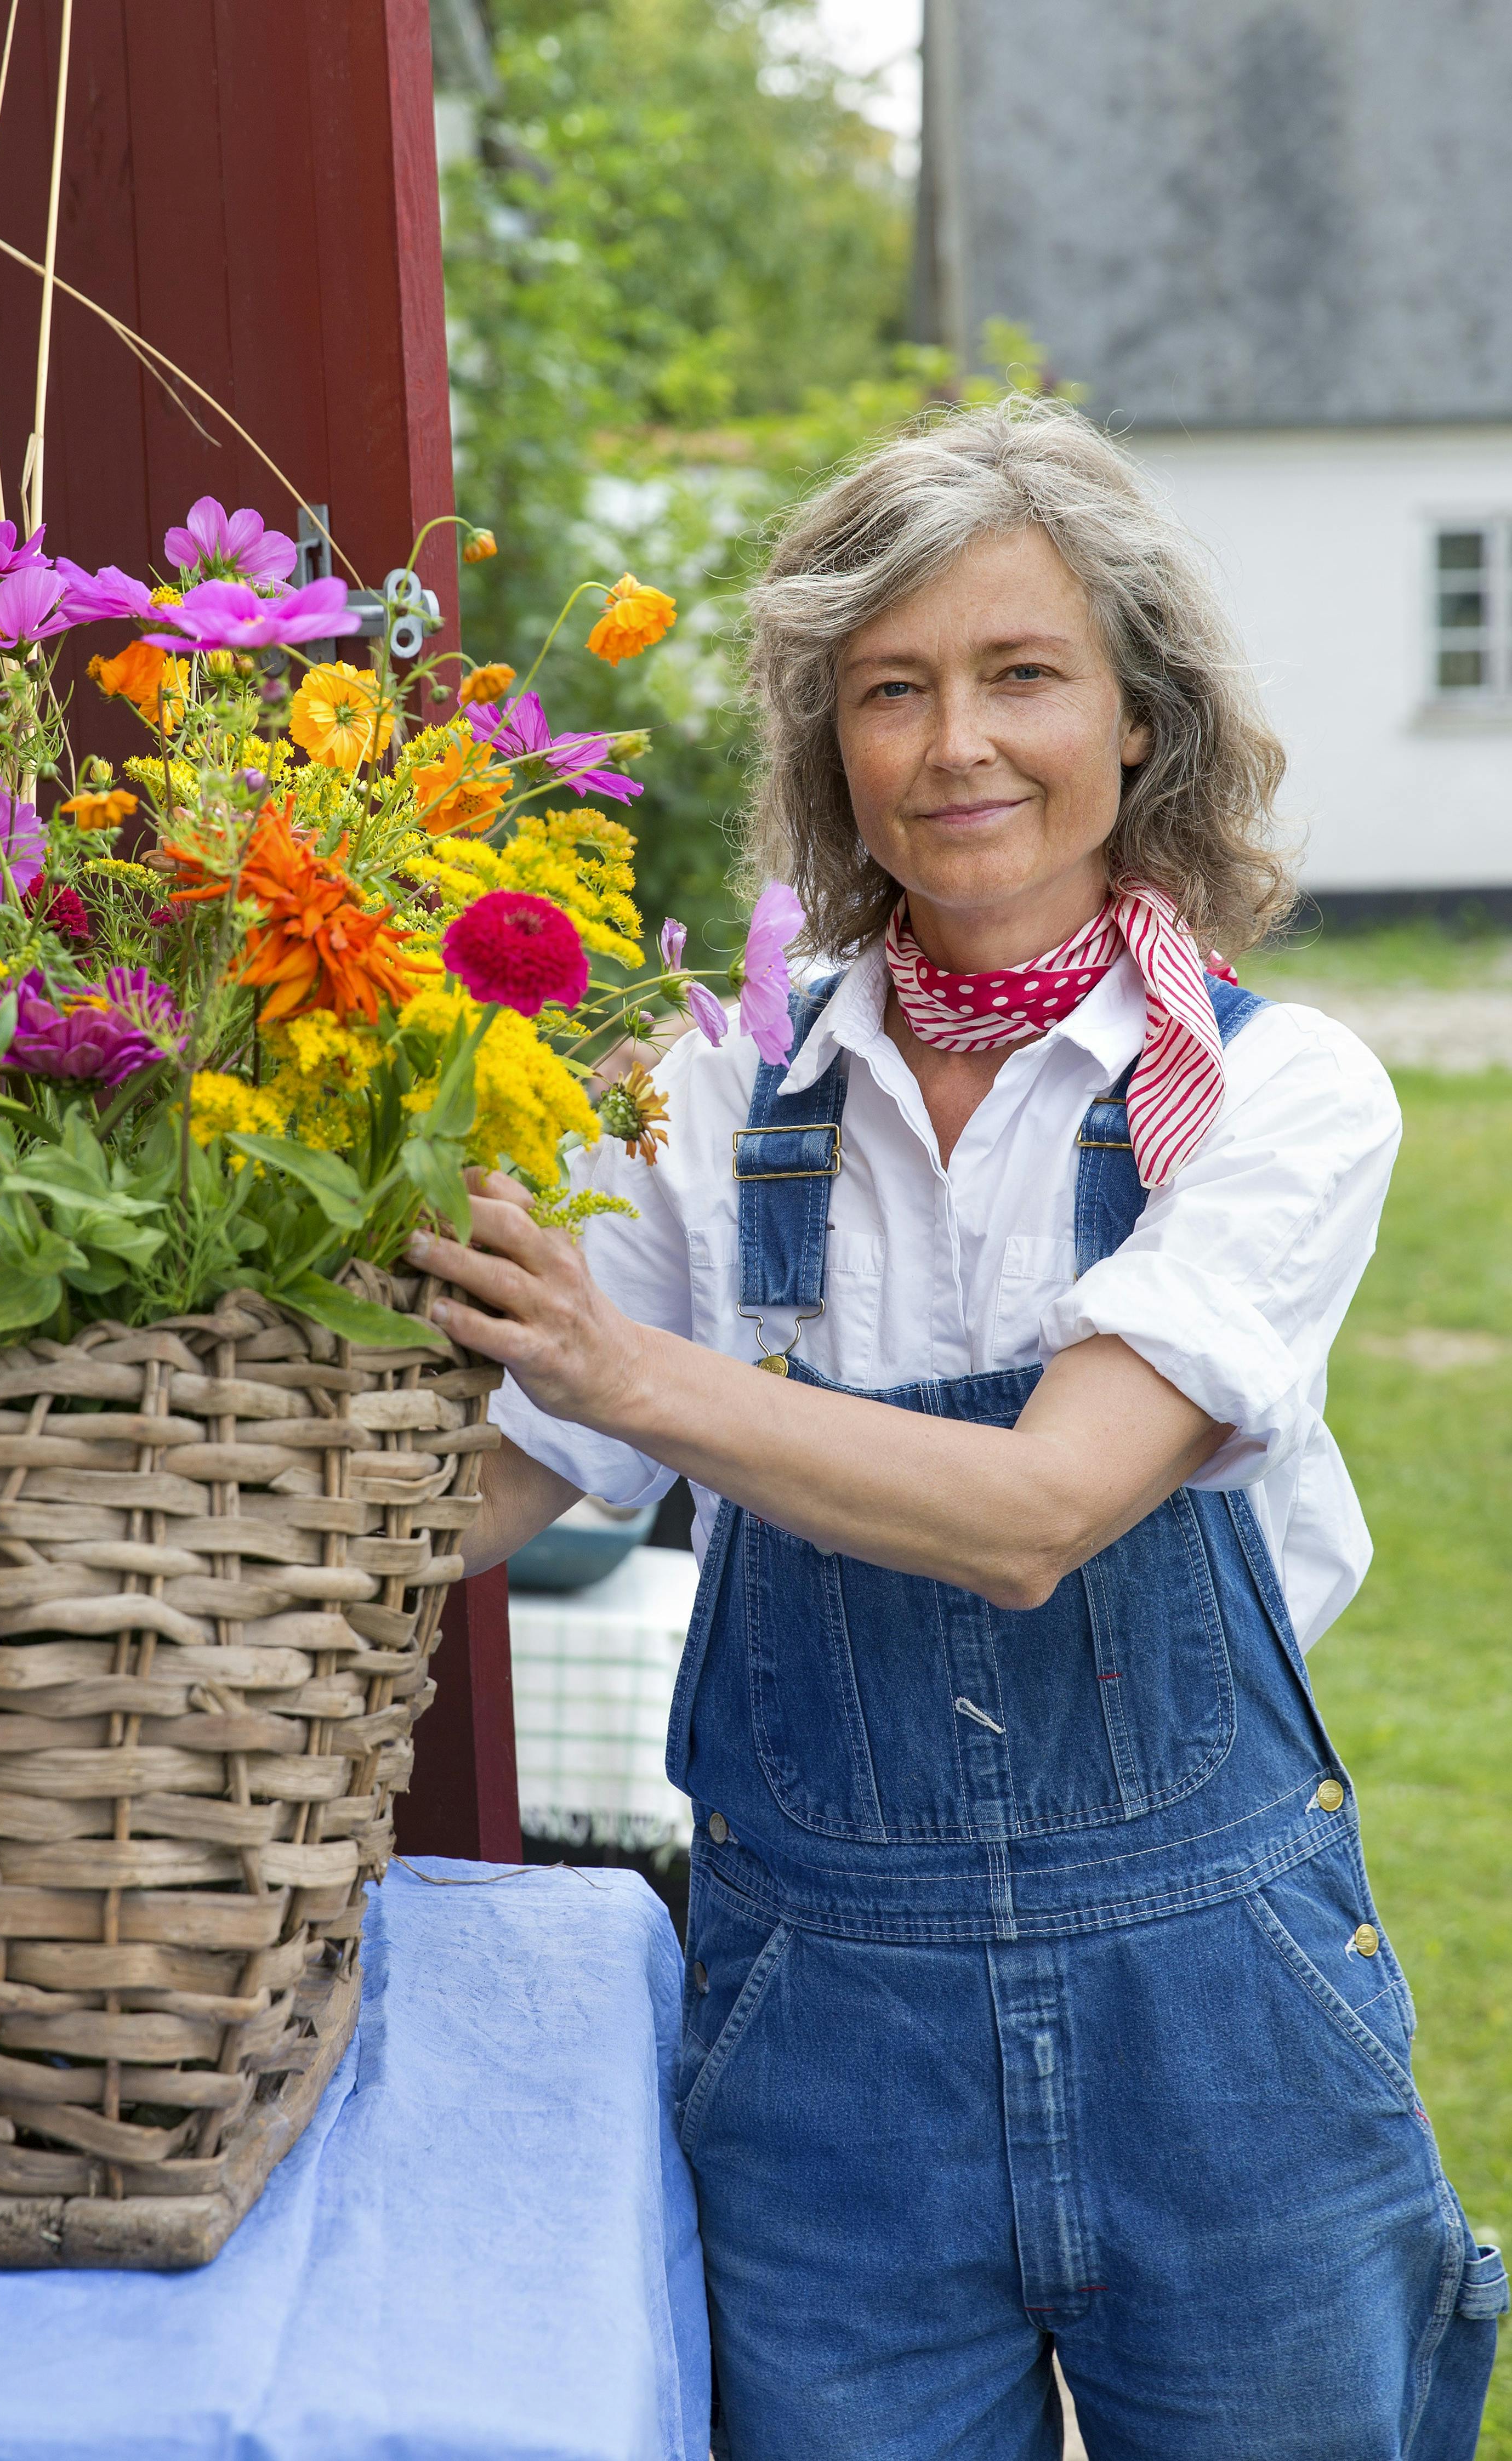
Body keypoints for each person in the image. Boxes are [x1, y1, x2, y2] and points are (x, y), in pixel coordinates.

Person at [406, 400, 1507, 2459]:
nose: (957, 745)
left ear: (1140, 721)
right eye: (891, 690)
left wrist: (628, 1370)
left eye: (1023, 675)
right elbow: (506, 1476)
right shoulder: (718, 1097)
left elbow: (1044, 1508)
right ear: (831, 743)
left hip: (1219, 2022)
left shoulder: (1271, 1097)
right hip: (826, 2043)